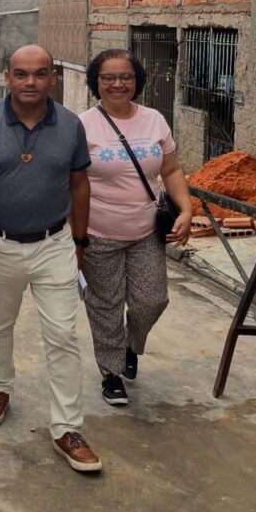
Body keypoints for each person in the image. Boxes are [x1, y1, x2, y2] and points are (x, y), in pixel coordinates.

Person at [0, 44, 102, 473]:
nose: (31, 82)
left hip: (54, 244)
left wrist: (79, 244)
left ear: (53, 77)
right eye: (21, 74)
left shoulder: (71, 126)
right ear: (7, 77)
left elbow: (79, 186)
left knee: (63, 336)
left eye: (40, 73)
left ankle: (67, 428)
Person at [80, 49, 191, 407]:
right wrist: (72, 234)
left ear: (137, 81)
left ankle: (130, 344)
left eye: (126, 77)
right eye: (108, 77)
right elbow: (71, 182)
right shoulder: (83, 125)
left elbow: (170, 170)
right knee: (106, 306)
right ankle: (111, 372)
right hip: (98, 233)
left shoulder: (154, 120)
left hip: (145, 233)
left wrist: (187, 209)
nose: (118, 84)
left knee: (152, 301)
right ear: (96, 82)